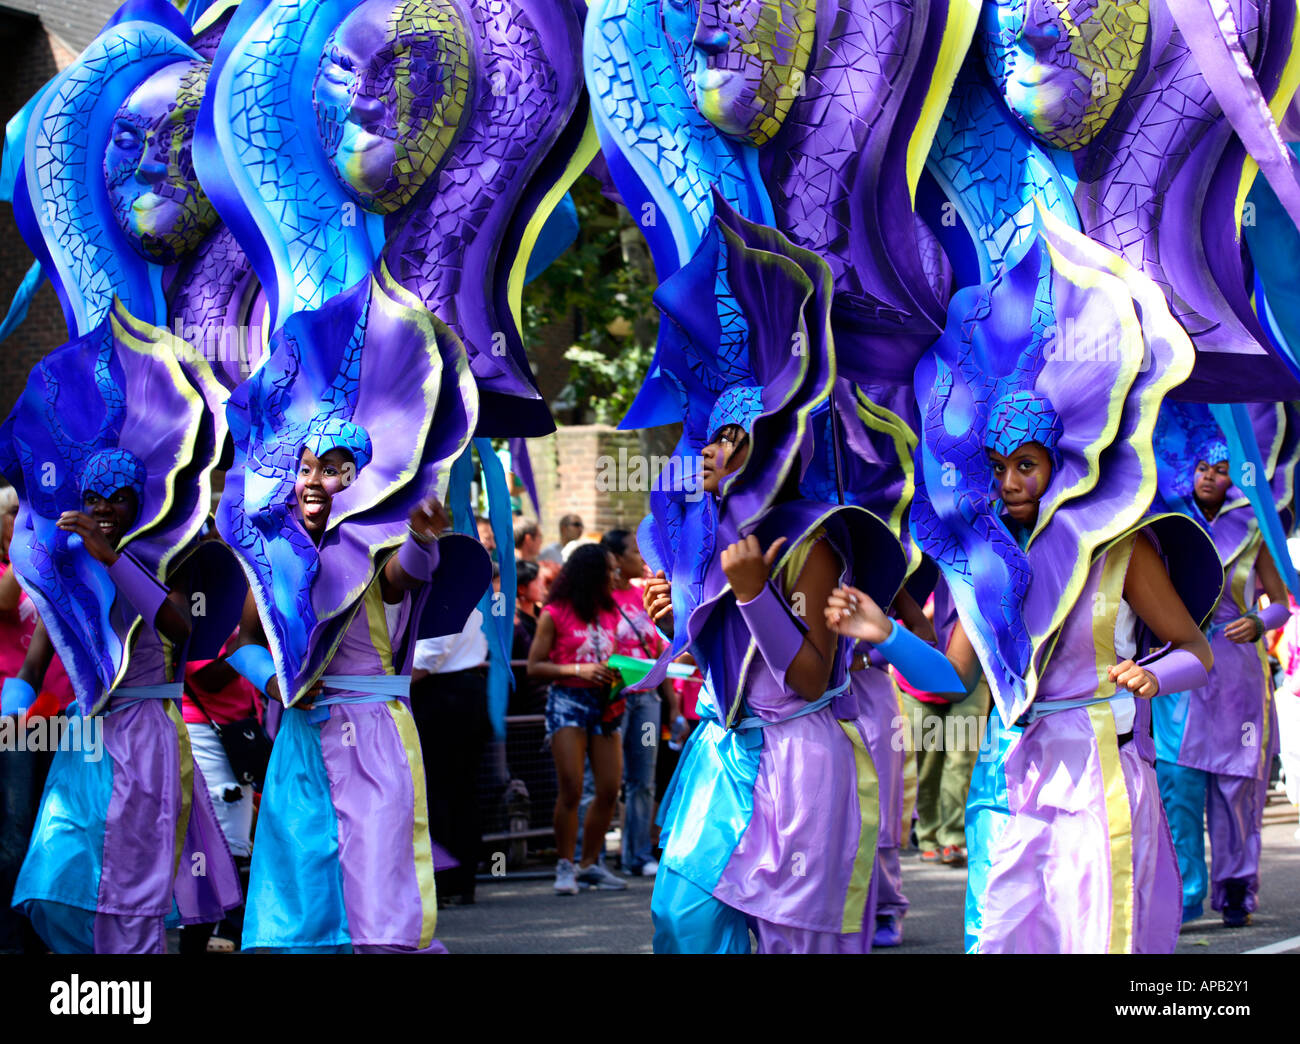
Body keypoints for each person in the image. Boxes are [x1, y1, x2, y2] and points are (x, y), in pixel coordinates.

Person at [1152, 440, 1290, 927]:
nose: (1209, 476)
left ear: (1236, 478)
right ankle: (1184, 894)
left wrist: (1258, 621)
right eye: (1203, 468)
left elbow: (1279, 602)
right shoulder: (1167, 526)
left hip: (1235, 674)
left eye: (1221, 469)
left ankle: (1236, 891)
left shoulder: (1252, 527)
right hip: (1181, 669)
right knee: (1178, 784)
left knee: (1236, 787)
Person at [527, 542, 628, 894]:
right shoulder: (554, 612)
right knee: (570, 787)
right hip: (567, 701)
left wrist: (622, 674)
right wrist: (579, 670)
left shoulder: (612, 611)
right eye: (610, 570)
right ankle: (565, 865)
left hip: (607, 704)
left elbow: (613, 655)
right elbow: (534, 666)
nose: (616, 576)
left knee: (608, 790)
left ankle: (590, 864)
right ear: (592, 574)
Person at [598, 528, 676, 876]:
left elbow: (659, 650)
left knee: (642, 780)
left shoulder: (642, 595)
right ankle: (592, 857)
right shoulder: (597, 599)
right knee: (603, 783)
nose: (641, 559)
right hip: (610, 699)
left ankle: (638, 855)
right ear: (614, 557)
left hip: (646, 699)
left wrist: (671, 702)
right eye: (633, 551)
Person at [411, 603, 492, 907]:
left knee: (441, 792)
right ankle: (460, 881)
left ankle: (446, 882)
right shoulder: (464, 585)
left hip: (444, 694)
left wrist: (386, 685)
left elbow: (431, 653)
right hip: (461, 690)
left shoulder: (446, 587)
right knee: (460, 792)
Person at [510, 559, 549, 715]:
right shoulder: (516, 623)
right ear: (521, 588)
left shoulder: (543, 616)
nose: (542, 585)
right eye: (537, 581)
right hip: (527, 698)